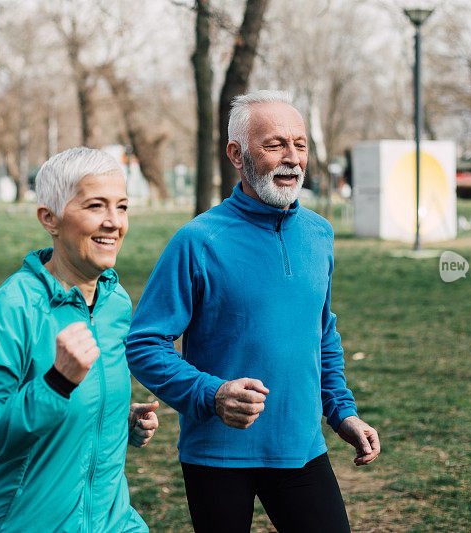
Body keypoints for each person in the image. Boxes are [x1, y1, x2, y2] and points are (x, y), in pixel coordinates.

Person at [124, 90, 380, 532]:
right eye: (275, 144)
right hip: (217, 456)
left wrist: (342, 411)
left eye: (299, 144)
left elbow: (322, 333)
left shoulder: (320, 234)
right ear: (236, 154)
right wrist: (212, 394)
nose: (293, 158)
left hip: (301, 448)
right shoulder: (197, 241)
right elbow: (145, 343)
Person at [0, 147, 158, 532]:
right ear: (49, 218)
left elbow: (84, 404)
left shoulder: (116, 302)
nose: (114, 222)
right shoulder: (11, 309)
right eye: (96, 206)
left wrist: (117, 417)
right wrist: (57, 383)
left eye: (122, 207)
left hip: (112, 521)